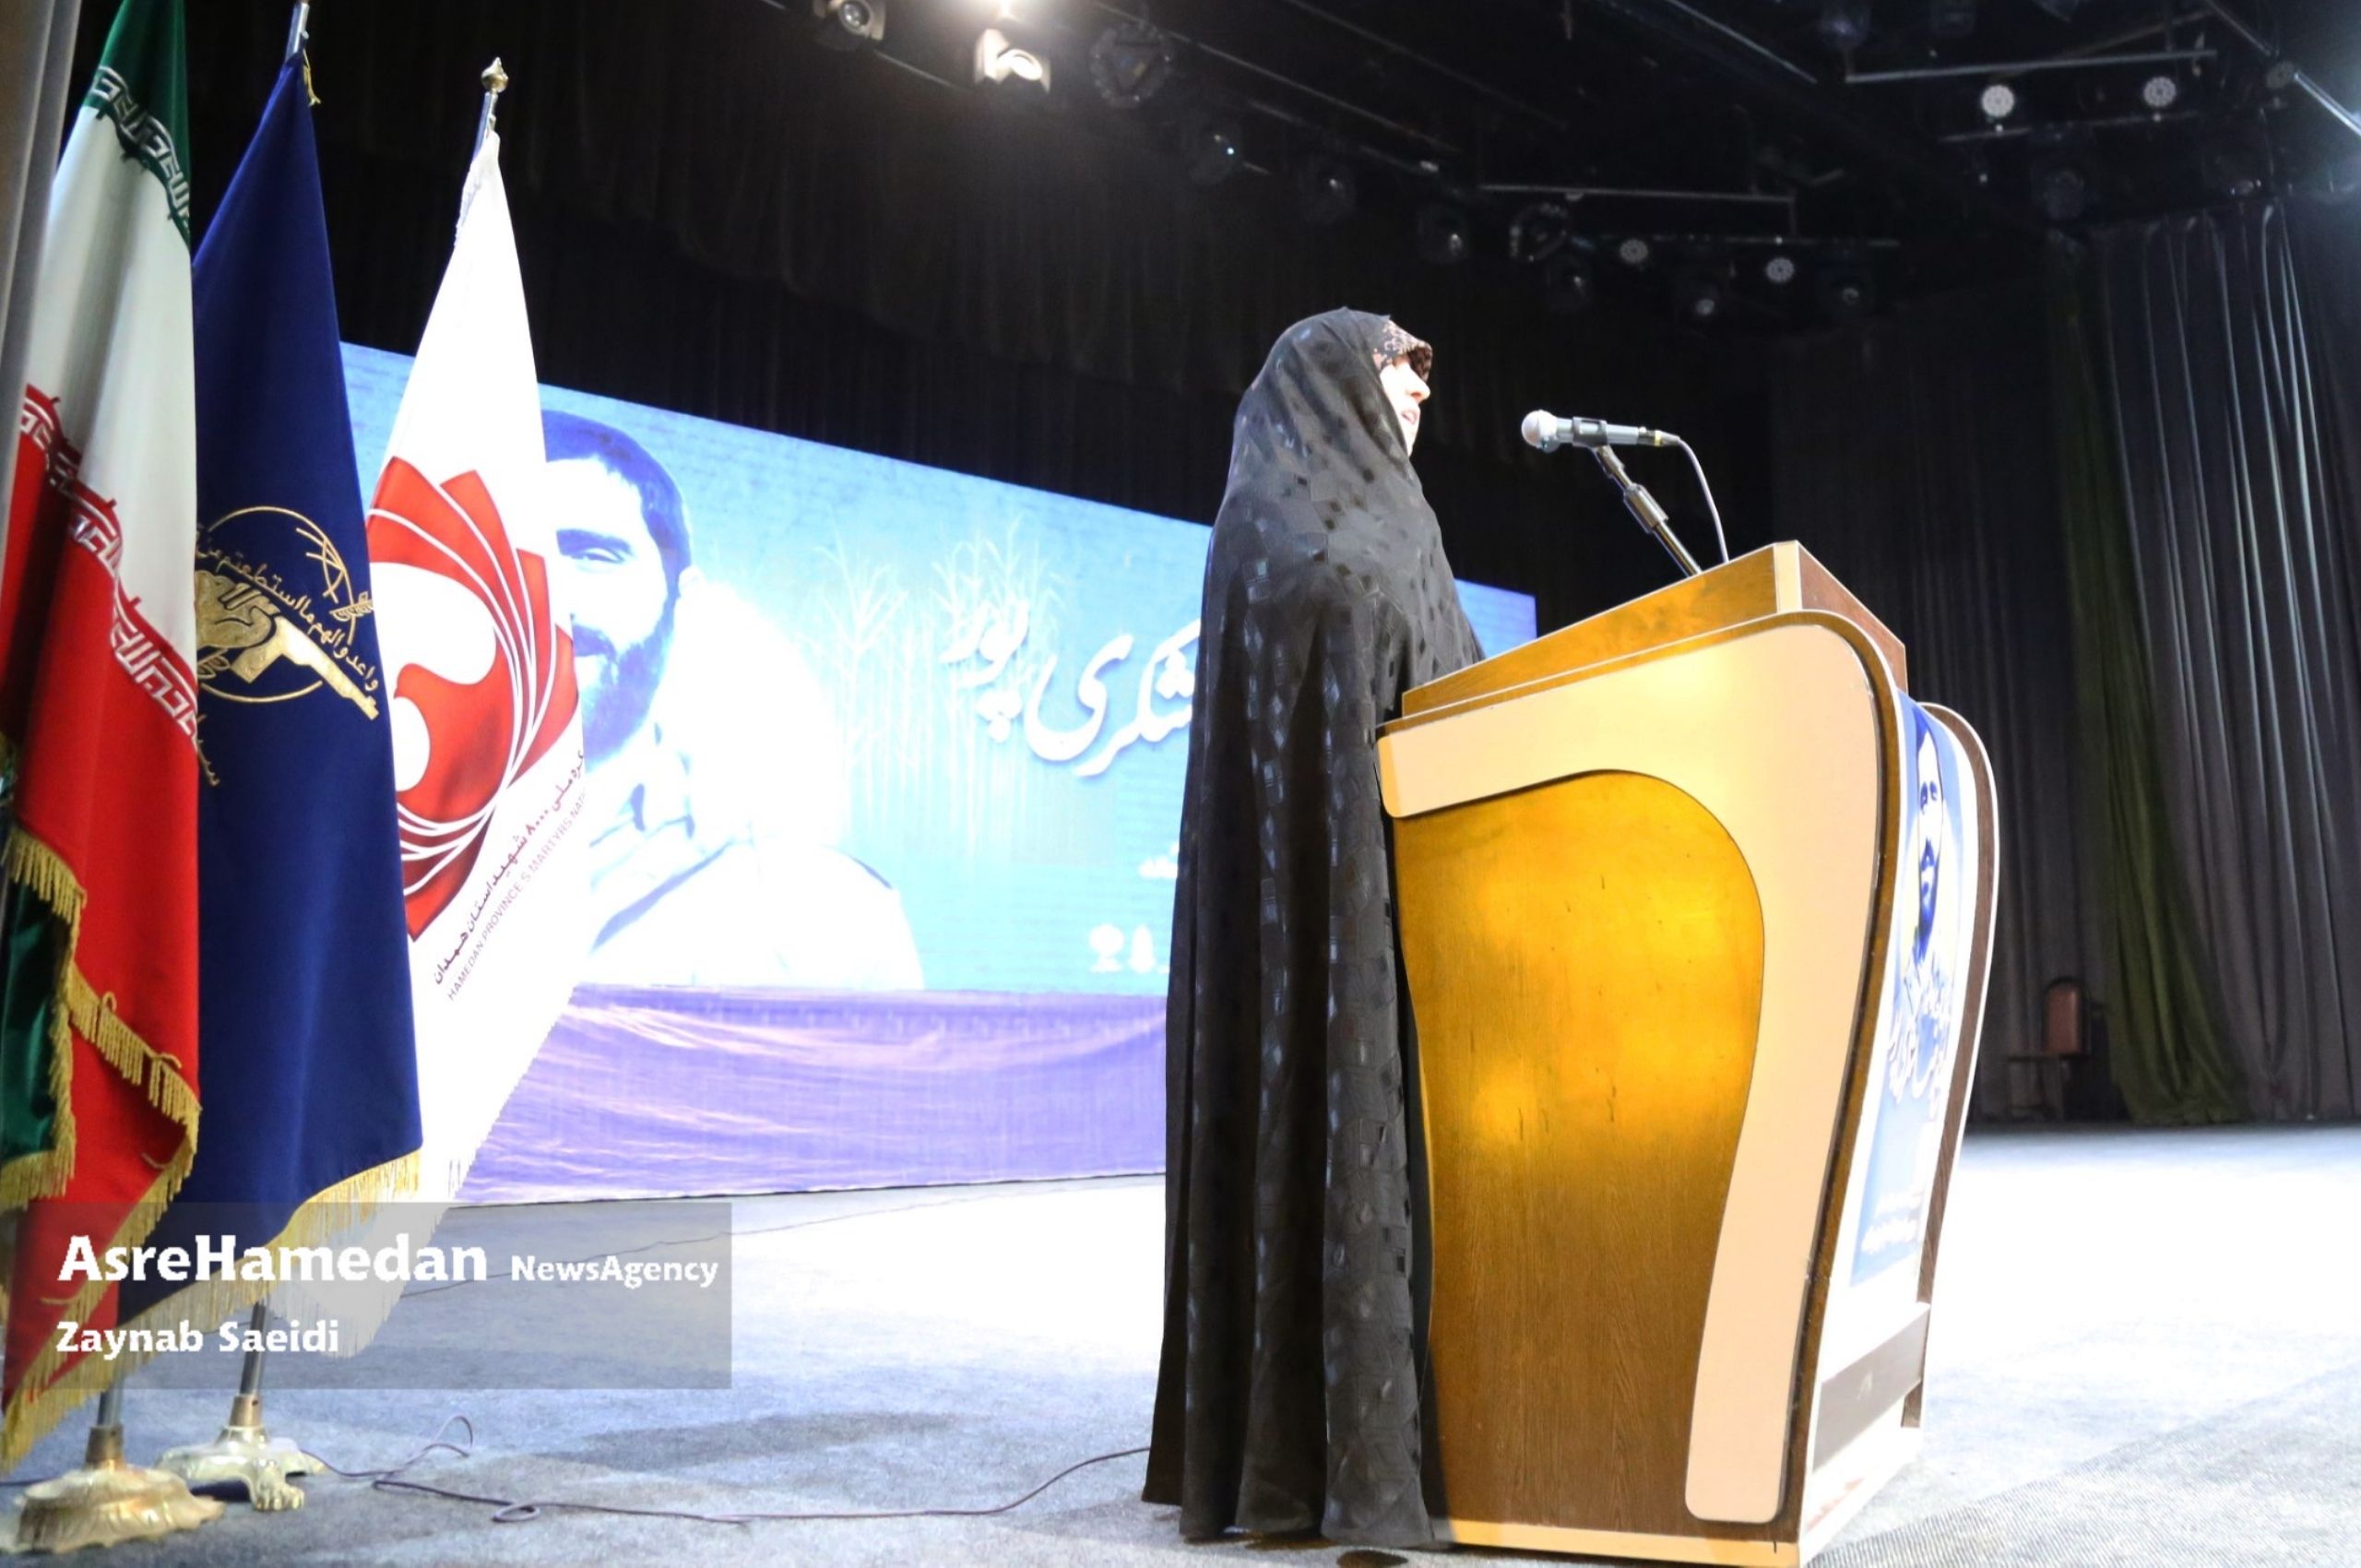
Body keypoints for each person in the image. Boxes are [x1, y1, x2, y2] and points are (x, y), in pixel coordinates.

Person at [1145, 311, 1484, 1546]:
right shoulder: (1270, 522)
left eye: (1426, 367)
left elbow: (1465, 684)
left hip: (1431, 907)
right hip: (1317, 925)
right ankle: (1303, 1458)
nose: (1422, 388)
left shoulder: (1408, 521)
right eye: (1403, 363)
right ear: (1336, 373)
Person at [543, 409, 923, 990]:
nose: (547, 596)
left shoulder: (828, 915)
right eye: (507, 557)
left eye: (593, 556)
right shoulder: (391, 873)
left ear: (684, 601)